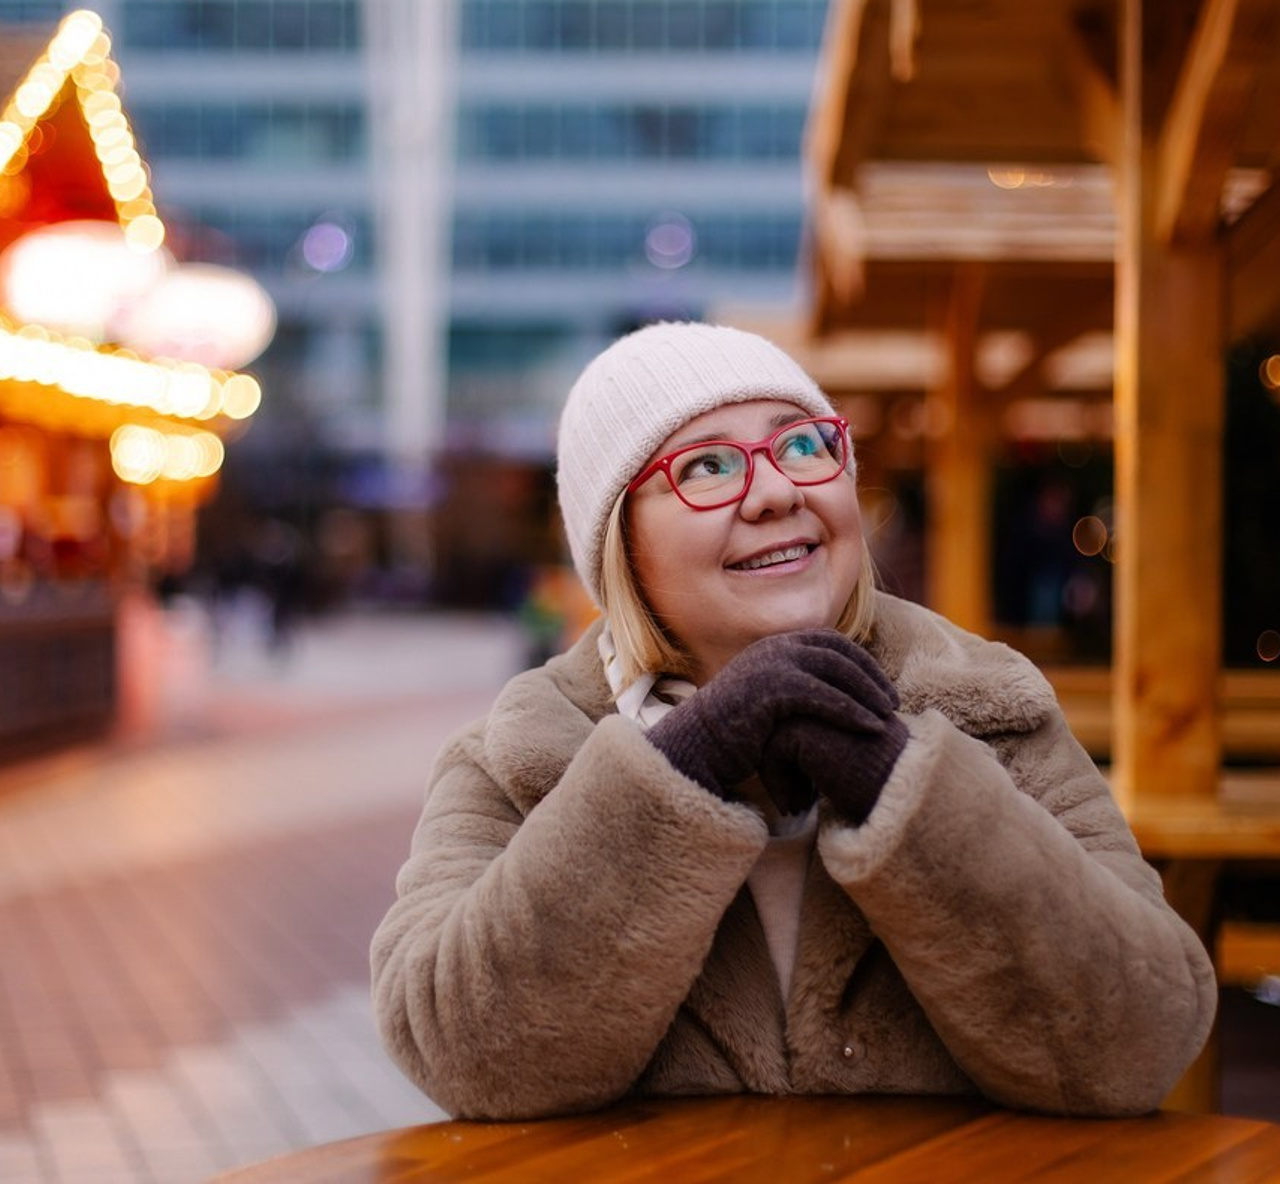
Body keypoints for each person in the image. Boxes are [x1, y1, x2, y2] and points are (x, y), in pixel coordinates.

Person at [371, 321, 1216, 1121]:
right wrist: (685, 762)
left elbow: (1146, 1037)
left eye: (802, 445)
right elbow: (460, 1052)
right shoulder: (517, 754)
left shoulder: (991, 706)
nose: (776, 490)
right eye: (706, 466)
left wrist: (895, 779)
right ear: (619, 546)